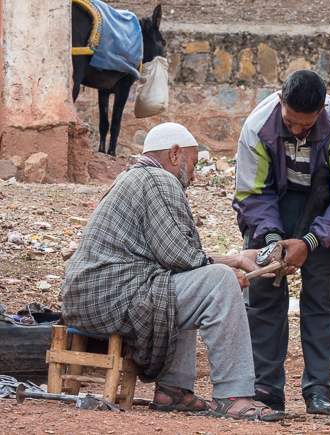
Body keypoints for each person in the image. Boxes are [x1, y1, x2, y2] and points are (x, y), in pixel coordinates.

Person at [61, 122, 283, 421]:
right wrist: (224, 270)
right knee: (216, 282)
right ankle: (233, 396)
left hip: (91, 299)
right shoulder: (158, 180)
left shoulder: (134, 177)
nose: (193, 174)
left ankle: (173, 390)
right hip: (112, 298)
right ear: (175, 153)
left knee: (187, 282)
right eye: (192, 163)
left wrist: (235, 259)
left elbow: (172, 258)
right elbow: (179, 257)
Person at [233, 70, 330, 414]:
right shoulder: (256, 127)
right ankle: (267, 388)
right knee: (262, 294)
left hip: (322, 210)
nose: (297, 130)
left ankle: (318, 389)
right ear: (280, 101)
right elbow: (253, 194)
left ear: (321, 110)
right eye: (290, 122)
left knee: (321, 298)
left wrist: (310, 242)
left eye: (306, 125)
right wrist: (273, 242)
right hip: (272, 207)